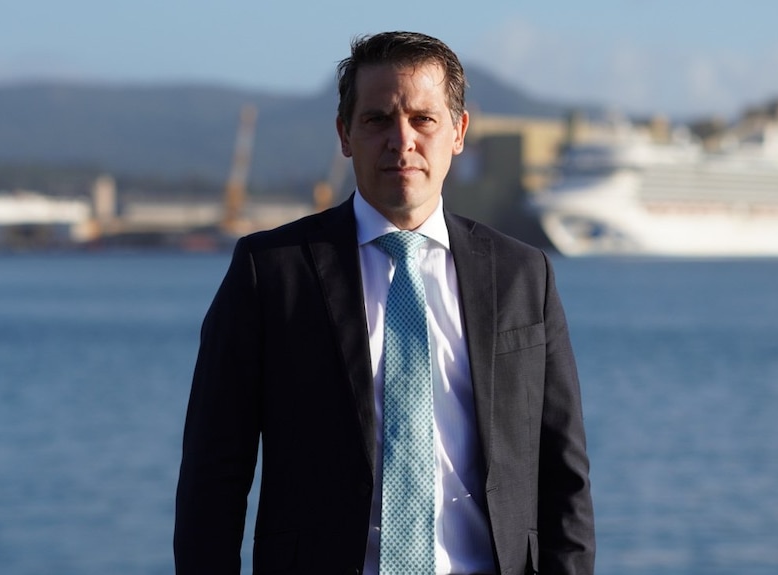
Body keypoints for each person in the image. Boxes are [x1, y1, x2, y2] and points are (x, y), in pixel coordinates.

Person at [174, 31, 594, 575]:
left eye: (424, 119)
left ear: (459, 132)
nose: (402, 140)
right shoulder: (271, 272)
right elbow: (213, 475)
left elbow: (564, 475)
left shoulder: (521, 275)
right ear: (345, 134)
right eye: (377, 120)